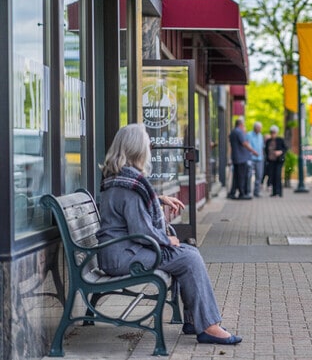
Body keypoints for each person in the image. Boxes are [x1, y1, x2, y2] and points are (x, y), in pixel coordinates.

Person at [96, 123, 242, 345]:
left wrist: (158, 198)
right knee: (189, 257)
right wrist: (166, 240)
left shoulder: (119, 178)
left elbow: (132, 210)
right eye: (147, 144)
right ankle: (209, 327)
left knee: (188, 254)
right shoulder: (129, 185)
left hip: (118, 251)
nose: (150, 149)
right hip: (123, 256)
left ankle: (197, 321)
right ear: (137, 150)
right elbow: (140, 232)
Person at [228, 118, 258, 200]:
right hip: (241, 158)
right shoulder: (239, 132)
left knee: (236, 176)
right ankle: (242, 193)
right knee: (241, 176)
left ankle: (232, 192)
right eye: (243, 125)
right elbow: (244, 143)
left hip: (236, 157)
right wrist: (253, 151)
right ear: (241, 125)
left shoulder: (233, 132)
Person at [264, 125, 287, 197]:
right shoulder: (268, 141)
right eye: (271, 132)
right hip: (271, 161)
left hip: (278, 161)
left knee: (278, 175)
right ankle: (274, 192)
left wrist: (280, 152)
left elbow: (285, 148)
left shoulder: (280, 140)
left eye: (274, 132)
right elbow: (266, 150)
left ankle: (278, 192)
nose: (273, 134)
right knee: (272, 176)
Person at [246, 121, 265, 197]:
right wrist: (253, 152)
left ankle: (256, 192)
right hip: (251, 158)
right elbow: (248, 146)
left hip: (260, 159)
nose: (260, 129)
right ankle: (248, 191)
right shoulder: (249, 135)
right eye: (259, 128)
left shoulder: (260, 135)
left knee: (259, 175)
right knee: (249, 175)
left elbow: (262, 147)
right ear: (255, 128)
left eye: (260, 128)